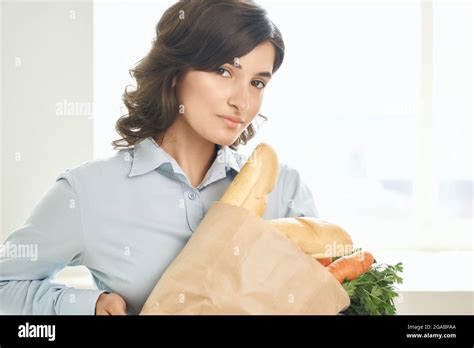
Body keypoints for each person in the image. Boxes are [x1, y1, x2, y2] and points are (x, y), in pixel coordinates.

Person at [0, 0, 318, 315]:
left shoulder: (285, 190)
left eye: (257, 83)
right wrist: (90, 306)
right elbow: (5, 286)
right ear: (176, 71)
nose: (243, 101)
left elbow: (324, 296)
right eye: (224, 71)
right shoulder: (89, 192)